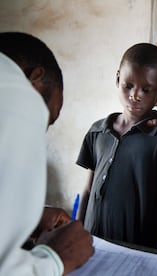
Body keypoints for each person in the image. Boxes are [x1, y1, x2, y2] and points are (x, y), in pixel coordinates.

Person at [0, 32, 93, 275]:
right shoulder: (14, 91)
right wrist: (57, 258)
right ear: (34, 80)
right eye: (46, 119)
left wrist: (29, 216)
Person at [77, 43, 157, 249]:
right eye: (128, 85)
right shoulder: (98, 131)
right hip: (91, 241)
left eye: (147, 89)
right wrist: (77, 230)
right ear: (117, 79)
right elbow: (88, 189)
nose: (135, 95)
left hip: (134, 247)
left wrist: (154, 250)